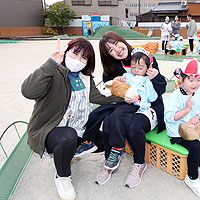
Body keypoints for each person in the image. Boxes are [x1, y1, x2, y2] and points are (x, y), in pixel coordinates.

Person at [21, 38, 124, 200]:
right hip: (50, 130)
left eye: (84, 57)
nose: (78, 60)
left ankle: (69, 154)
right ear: (66, 52)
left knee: (105, 142)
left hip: (79, 129)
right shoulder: (54, 73)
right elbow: (28, 91)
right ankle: (62, 177)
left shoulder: (85, 78)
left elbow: (97, 96)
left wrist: (125, 98)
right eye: (75, 54)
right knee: (67, 136)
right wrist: (50, 63)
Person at [82, 31, 166, 188]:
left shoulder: (144, 57)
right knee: (109, 120)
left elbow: (158, 92)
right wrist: (118, 86)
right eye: (110, 50)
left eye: (115, 44)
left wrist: (156, 77)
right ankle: (111, 159)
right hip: (125, 105)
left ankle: (139, 163)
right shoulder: (113, 69)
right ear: (109, 56)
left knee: (134, 126)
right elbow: (110, 91)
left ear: (122, 40)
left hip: (148, 105)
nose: (116, 50)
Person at [76, 47, 158, 158]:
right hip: (119, 101)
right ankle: (88, 140)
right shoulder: (126, 76)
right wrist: (117, 80)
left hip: (132, 104)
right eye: (133, 67)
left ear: (147, 68)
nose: (136, 70)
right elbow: (116, 86)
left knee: (117, 117)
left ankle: (117, 148)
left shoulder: (147, 81)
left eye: (141, 67)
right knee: (97, 112)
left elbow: (152, 97)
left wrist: (139, 99)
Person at [164, 58, 200, 198]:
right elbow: (169, 117)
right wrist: (186, 110)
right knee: (196, 147)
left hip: (195, 127)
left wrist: (198, 116)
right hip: (178, 131)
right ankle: (192, 178)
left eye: (198, 80)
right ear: (181, 79)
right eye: (190, 80)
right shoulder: (175, 97)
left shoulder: (199, 93)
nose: (195, 84)